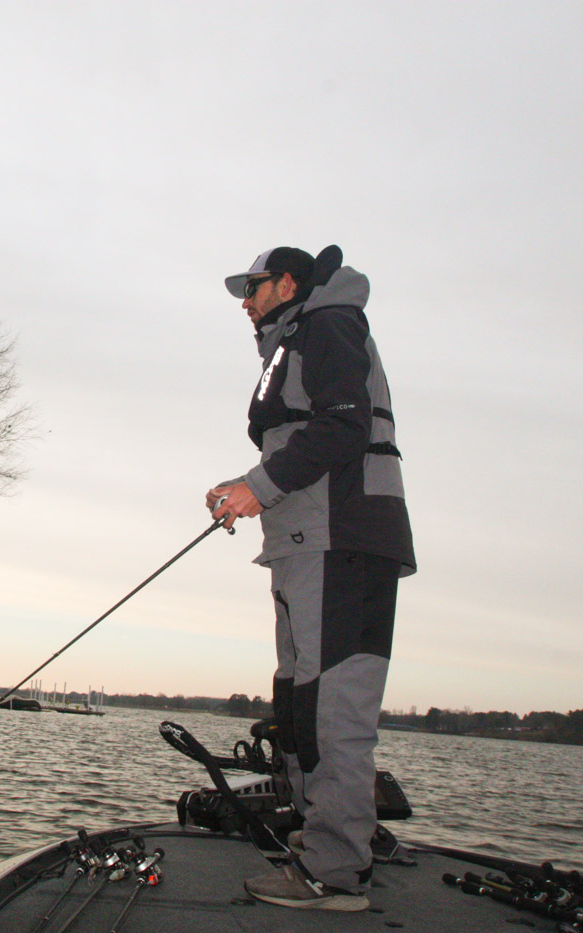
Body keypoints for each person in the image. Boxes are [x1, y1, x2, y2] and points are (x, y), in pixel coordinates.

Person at [206, 244, 415, 911]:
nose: (246, 299)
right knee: (299, 703)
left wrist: (258, 487)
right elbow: (301, 438)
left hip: (342, 544)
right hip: (303, 547)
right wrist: (245, 487)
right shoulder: (296, 339)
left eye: (255, 286)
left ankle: (336, 870)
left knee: (332, 710)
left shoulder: (329, 324)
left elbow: (345, 426)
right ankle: (313, 832)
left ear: (289, 282)